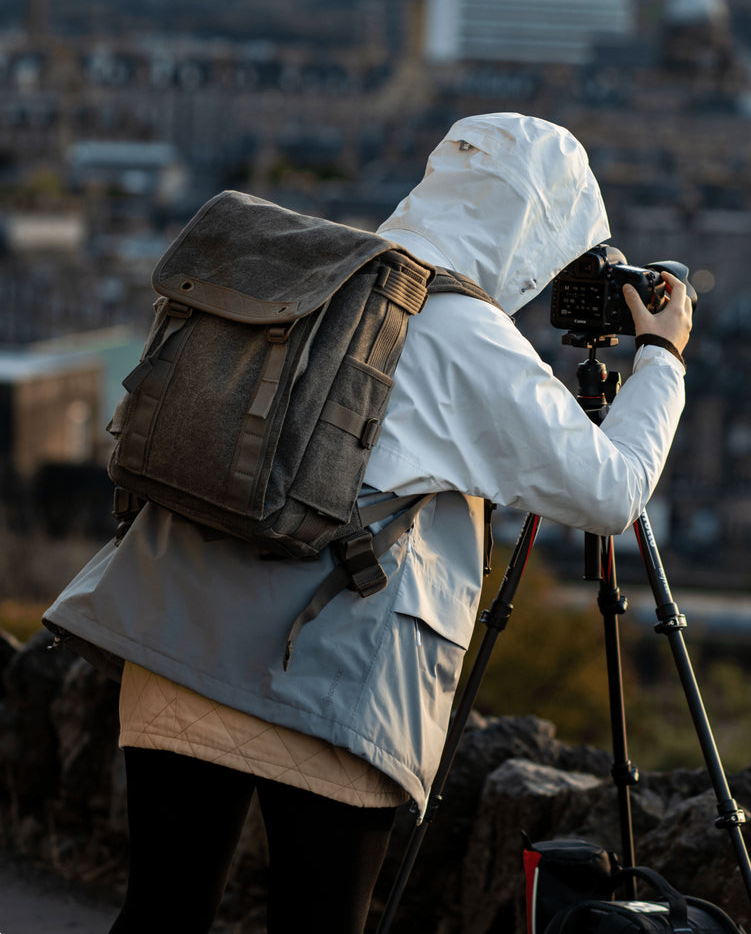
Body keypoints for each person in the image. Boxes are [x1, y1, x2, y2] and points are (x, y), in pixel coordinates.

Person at [43, 112, 692, 934]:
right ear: (538, 229)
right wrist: (661, 357)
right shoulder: (468, 334)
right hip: (323, 678)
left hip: (175, 630)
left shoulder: (307, 268)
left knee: (163, 909)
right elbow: (614, 490)